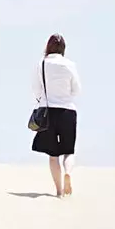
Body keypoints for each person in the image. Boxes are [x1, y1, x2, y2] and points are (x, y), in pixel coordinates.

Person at [32, 34, 81, 197]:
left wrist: (43, 99)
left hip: (48, 113)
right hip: (67, 111)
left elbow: (36, 89)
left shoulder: (42, 63)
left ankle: (59, 191)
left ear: (48, 47)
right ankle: (68, 173)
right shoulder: (70, 65)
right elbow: (77, 90)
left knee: (53, 156)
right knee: (69, 152)